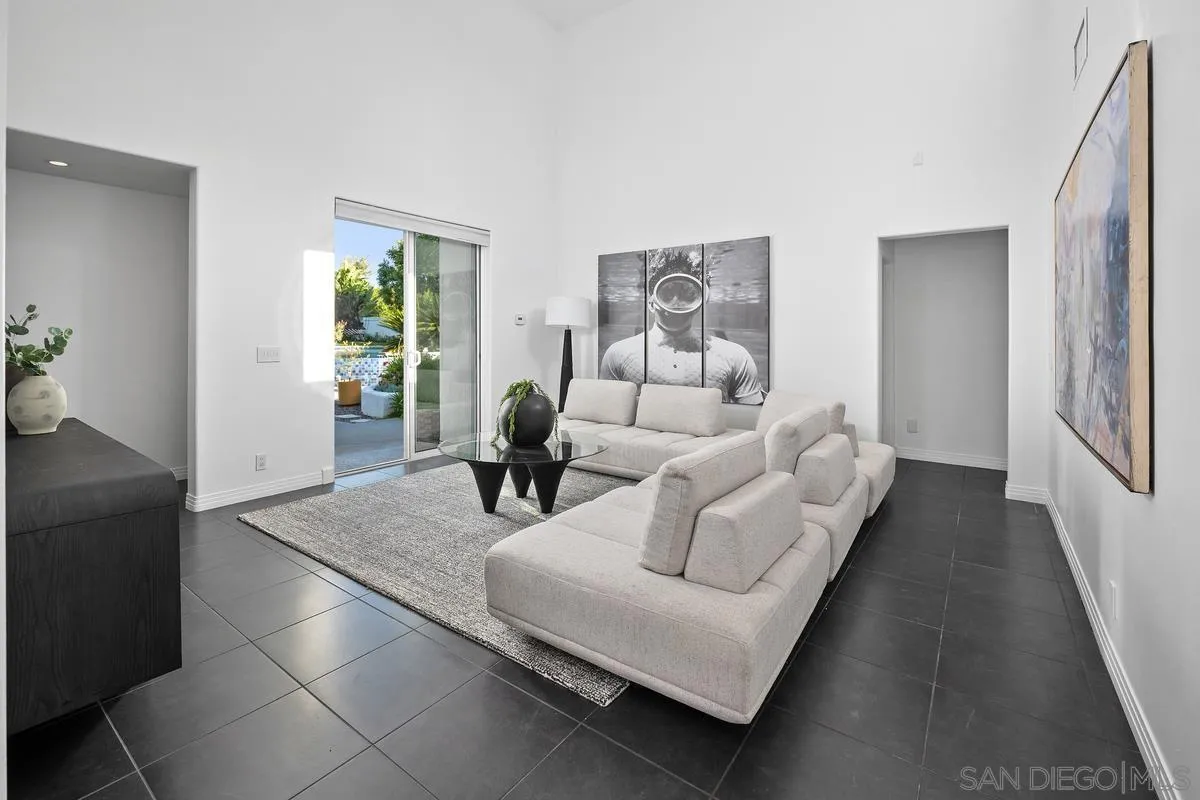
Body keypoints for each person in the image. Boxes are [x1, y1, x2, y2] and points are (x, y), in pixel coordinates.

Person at [600, 247, 764, 404]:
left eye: (688, 294)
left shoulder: (736, 356)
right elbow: (608, 412)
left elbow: (754, 419)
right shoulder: (618, 354)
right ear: (651, 303)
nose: (677, 302)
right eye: (668, 293)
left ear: (699, 303)